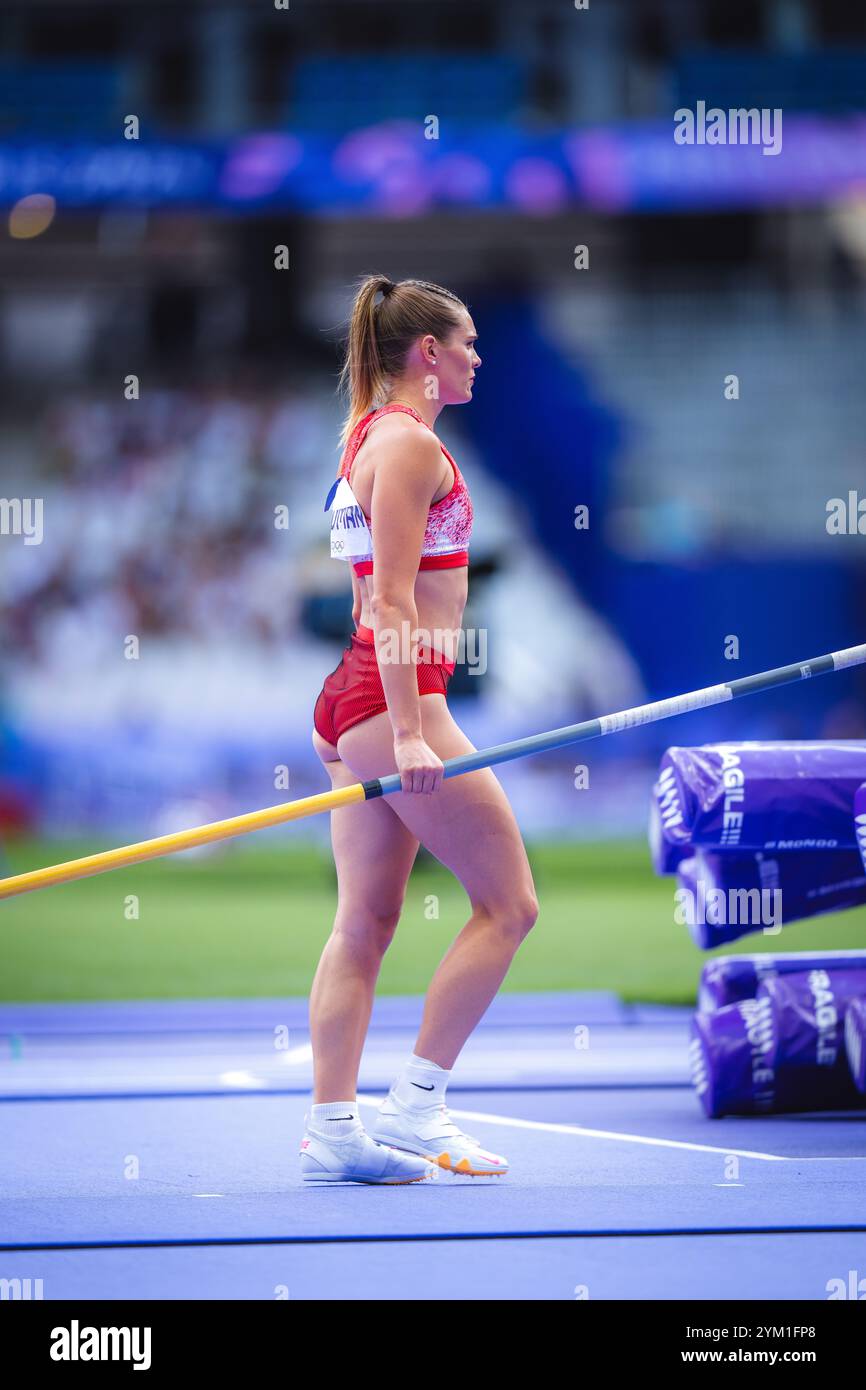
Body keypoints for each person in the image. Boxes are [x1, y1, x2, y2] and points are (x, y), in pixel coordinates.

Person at [302, 275, 539, 1184]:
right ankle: (414, 1108)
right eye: (467, 342)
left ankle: (335, 1126)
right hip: (392, 698)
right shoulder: (405, 446)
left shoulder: (367, 432)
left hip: (352, 697)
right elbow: (393, 601)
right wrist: (409, 734)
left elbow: (374, 595)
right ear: (427, 354)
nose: (479, 356)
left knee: (365, 919)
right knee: (509, 905)